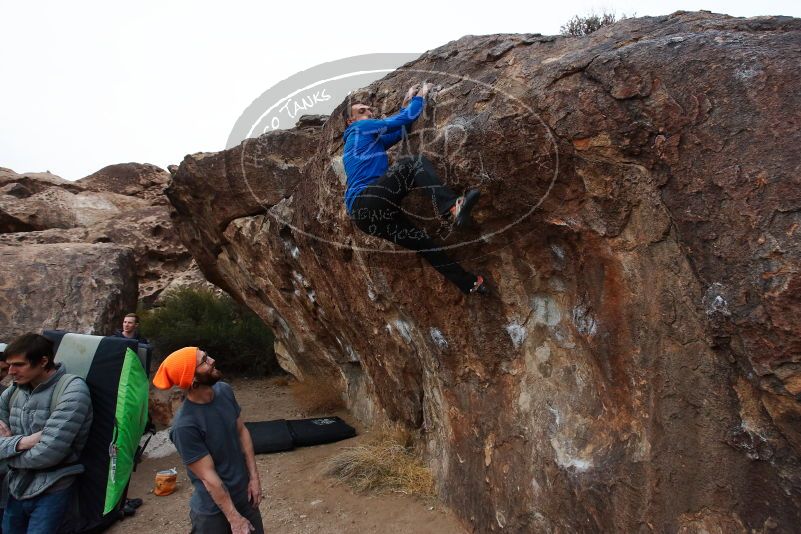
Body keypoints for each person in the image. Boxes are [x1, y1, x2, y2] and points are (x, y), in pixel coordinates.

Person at [343, 82, 488, 295]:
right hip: (368, 198)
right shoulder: (358, 128)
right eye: (362, 111)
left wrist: (405, 103)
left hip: (364, 217)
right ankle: (451, 206)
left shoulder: (366, 139)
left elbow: (401, 129)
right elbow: (404, 119)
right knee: (413, 163)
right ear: (351, 121)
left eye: (370, 110)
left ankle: (468, 283)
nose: (369, 113)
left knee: (423, 242)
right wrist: (420, 96)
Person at [153, 347, 263, 534]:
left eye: (206, 355)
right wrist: (234, 519)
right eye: (203, 361)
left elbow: (242, 431)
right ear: (192, 379)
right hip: (215, 513)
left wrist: (254, 479)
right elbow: (208, 478)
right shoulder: (185, 426)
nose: (212, 360)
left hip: (245, 497)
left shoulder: (224, 391)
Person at [0, 333, 93, 533]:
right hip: (16, 488)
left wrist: (6, 453)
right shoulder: (13, 392)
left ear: (43, 361)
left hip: (53, 489)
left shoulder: (72, 390)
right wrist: (22, 443)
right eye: (9, 365)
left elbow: (49, 452)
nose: (11, 371)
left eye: (18, 365)